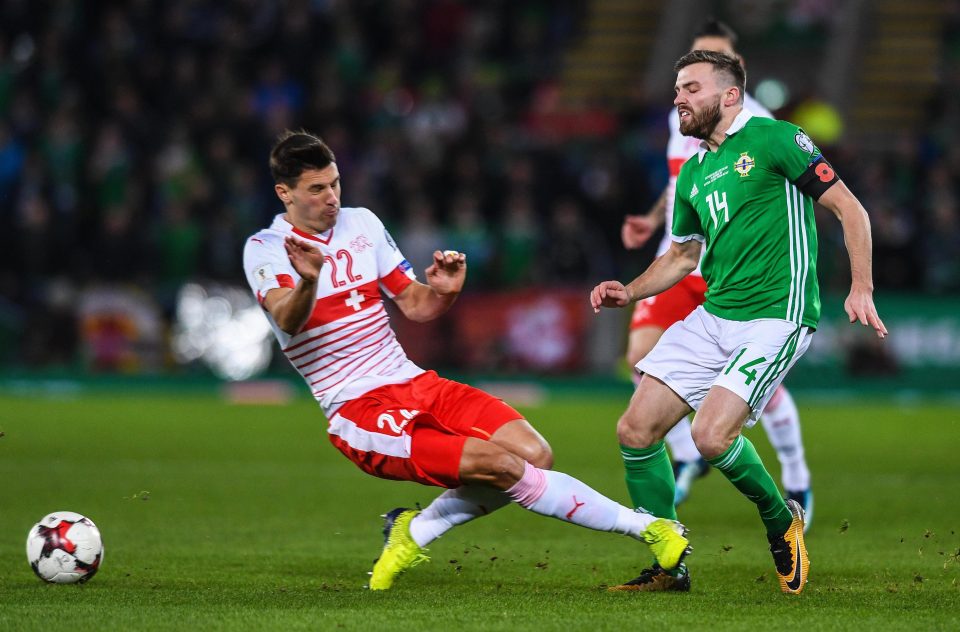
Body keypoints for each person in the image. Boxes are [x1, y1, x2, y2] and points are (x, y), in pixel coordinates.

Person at [243, 130, 690, 591]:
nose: (332, 197)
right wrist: (309, 282)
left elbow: (416, 305)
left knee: (534, 453)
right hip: (358, 409)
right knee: (502, 467)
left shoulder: (363, 224)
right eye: (317, 189)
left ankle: (413, 530)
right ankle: (649, 530)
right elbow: (289, 320)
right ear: (285, 192)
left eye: (335, 183)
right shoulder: (267, 248)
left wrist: (444, 292)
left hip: (412, 381)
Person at [591, 51, 887, 595]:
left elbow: (851, 209)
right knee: (635, 430)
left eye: (691, 88)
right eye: (677, 88)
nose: (678, 97)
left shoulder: (777, 139)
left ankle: (781, 520)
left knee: (709, 435)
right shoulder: (695, 172)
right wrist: (628, 290)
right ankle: (668, 563)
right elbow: (681, 258)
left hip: (777, 315)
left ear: (729, 96)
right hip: (715, 315)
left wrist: (861, 286)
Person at [621, 20, 813, 521]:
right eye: (683, 76)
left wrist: (861, 283)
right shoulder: (680, 119)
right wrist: (652, 217)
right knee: (639, 361)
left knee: (747, 393)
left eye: (698, 75)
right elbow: (689, 180)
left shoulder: (765, 127)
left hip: (737, 272)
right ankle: (685, 461)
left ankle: (794, 476)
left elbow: (833, 201)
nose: (683, 90)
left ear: (733, 78)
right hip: (681, 257)